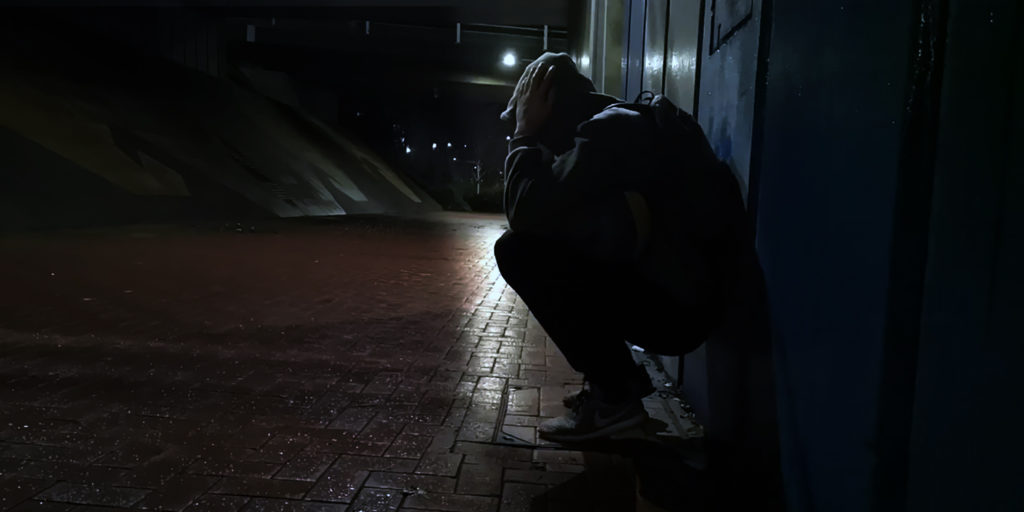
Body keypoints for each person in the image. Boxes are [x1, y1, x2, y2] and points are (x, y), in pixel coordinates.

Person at [493, 52, 756, 443]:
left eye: (531, 112)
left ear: (550, 103)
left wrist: (524, 136)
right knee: (561, 238)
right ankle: (615, 385)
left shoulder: (610, 132)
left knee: (518, 251)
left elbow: (523, 209)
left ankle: (615, 400)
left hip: (679, 313)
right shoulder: (623, 123)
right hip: (687, 302)